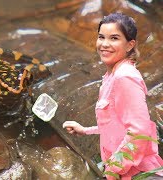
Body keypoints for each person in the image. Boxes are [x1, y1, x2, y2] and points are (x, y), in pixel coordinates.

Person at [62, 13, 163, 180]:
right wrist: (85, 131)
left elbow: (140, 131)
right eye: (101, 37)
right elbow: (117, 125)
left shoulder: (125, 77)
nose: (104, 44)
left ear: (130, 45)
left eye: (114, 38)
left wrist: (113, 169)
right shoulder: (111, 76)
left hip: (139, 173)